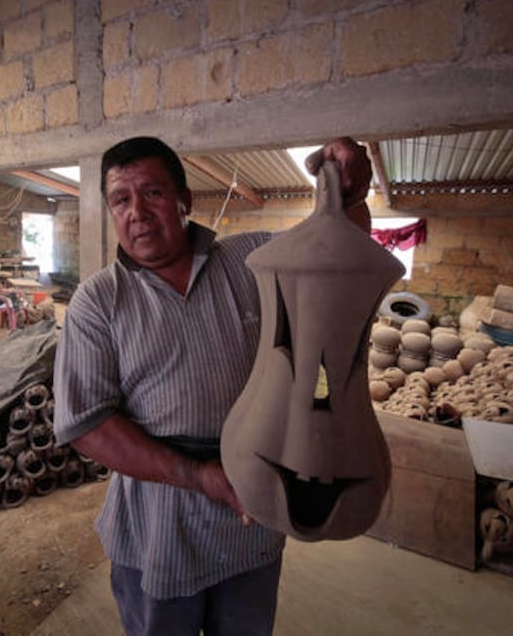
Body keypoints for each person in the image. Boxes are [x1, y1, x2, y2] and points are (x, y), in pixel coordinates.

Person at [52, 136, 373, 635]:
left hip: (255, 505)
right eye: (121, 199)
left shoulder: (251, 262)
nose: (137, 212)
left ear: (184, 200)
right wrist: (199, 476)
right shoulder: (98, 301)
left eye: (152, 193)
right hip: (158, 524)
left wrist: (348, 192)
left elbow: (334, 244)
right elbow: (87, 426)